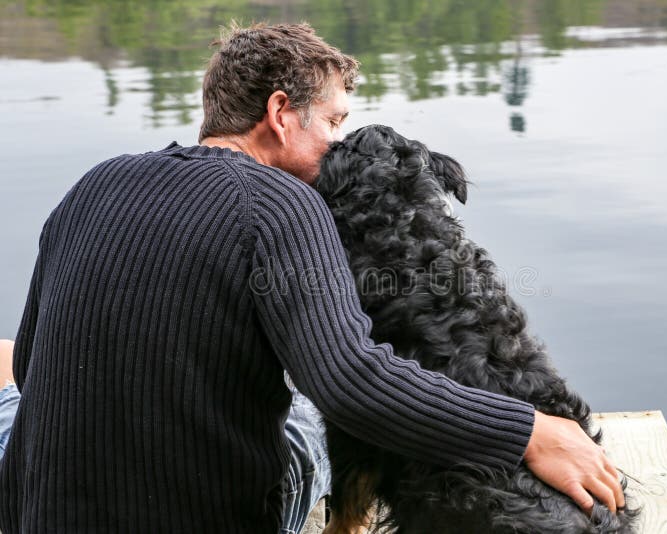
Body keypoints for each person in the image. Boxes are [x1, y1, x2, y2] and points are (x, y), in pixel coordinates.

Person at [0, 23, 623, 533]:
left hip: (35, 509)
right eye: (332, 123)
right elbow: (353, 384)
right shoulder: (281, 203)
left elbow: (31, 365)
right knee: (304, 408)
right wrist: (529, 431)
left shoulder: (96, 181)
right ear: (279, 114)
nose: (336, 146)